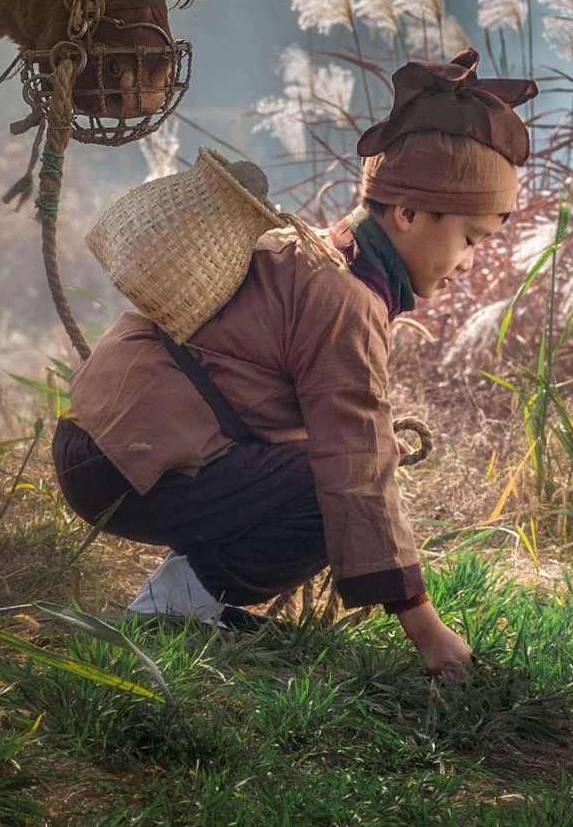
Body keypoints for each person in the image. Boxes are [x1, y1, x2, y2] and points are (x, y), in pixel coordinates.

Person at [50, 47, 537, 682]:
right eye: (469, 240)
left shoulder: (305, 251)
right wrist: (426, 627)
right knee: (330, 486)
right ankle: (174, 607)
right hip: (124, 466)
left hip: (95, 446)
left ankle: (183, 598)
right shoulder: (347, 302)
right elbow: (353, 467)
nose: (469, 263)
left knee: (334, 468)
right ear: (409, 213)